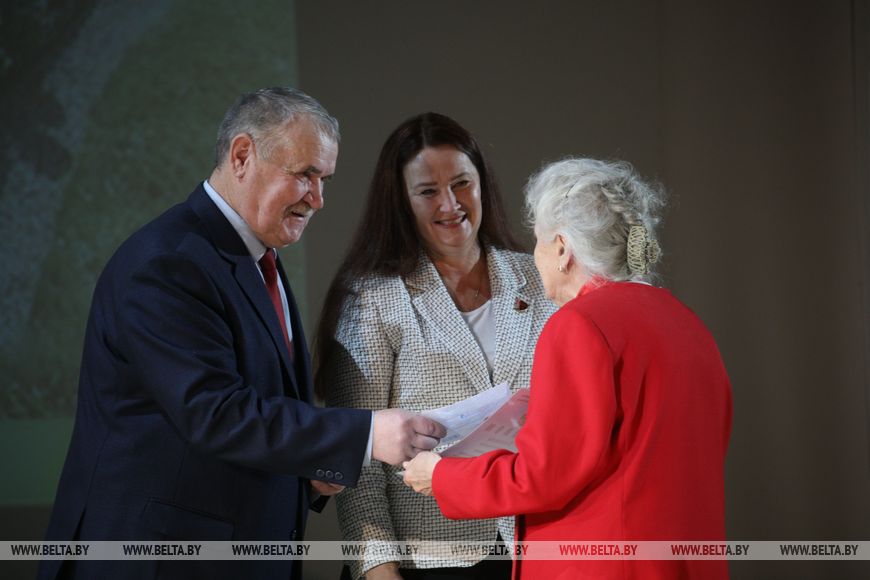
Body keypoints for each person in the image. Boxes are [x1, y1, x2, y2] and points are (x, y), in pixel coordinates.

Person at [39, 87, 445, 580]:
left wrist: (311, 474)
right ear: (242, 156)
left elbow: (250, 416)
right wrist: (364, 434)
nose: (318, 199)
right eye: (305, 175)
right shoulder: (168, 262)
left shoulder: (253, 257)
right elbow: (215, 412)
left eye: (325, 179)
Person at [403, 158, 733, 579]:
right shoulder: (687, 323)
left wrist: (443, 476)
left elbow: (544, 475)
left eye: (538, 242)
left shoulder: (580, 324)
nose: (535, 258)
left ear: (562, 249)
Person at [314, 112, 556, 580]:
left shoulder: (538, 277)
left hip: (531, 551)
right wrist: (379, 569)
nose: (451, 203)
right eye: (427, 191)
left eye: (463, 183)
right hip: (424, 562)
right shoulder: (369, 297)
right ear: (402, 202)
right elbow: (354, 459)